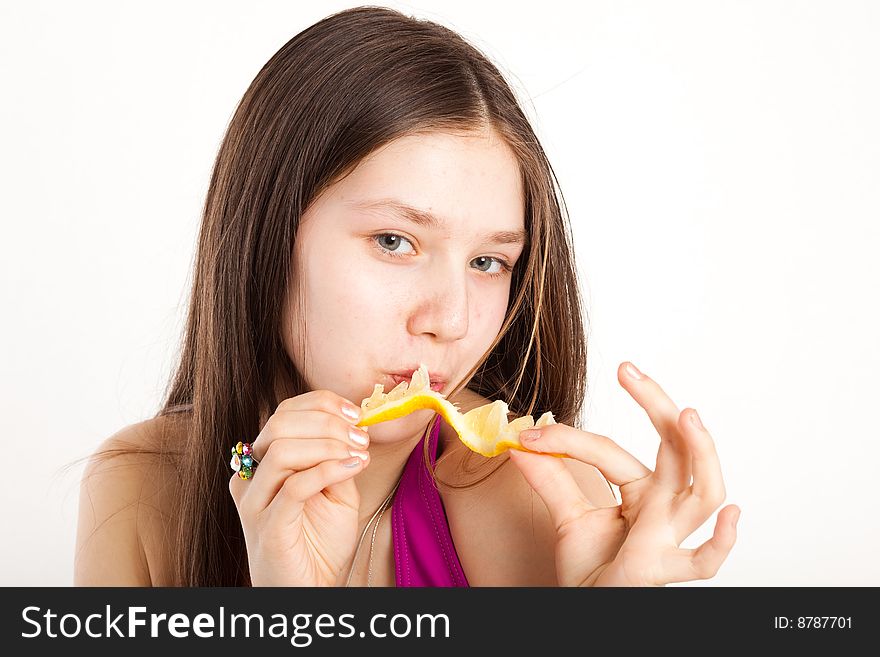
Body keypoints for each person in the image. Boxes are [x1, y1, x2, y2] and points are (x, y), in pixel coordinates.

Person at [74, 6, 740, 587]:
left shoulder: (533, 503)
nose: (449, 321)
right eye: (395, 241)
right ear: (267, 238)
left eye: (488, 260)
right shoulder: (140, 491)